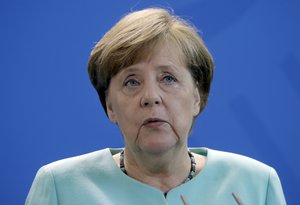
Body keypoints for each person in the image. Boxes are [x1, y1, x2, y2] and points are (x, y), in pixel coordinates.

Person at [26, 8, 286, 205]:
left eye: (168, 79)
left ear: (197, 97)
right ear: (109, 106)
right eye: (131, 81)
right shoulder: (60, 186)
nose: (151, 96)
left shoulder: (256, 184)